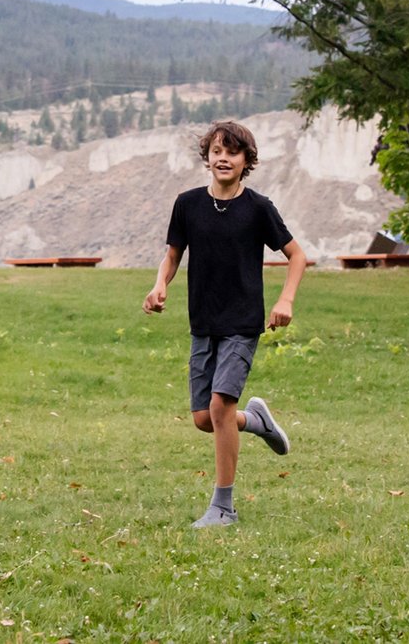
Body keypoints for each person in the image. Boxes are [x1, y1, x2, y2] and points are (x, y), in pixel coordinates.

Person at [143, 121, 310, 528]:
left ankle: (223, 507)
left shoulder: (258, 207)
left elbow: (297, 255)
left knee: (220, 406)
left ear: (246, 161)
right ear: (207, 158)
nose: (223, 158)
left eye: (232, 153)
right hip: (203, 321)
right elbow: (173, 253)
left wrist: (285, 299)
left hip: (242, 322)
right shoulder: (187, 204)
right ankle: (257, 423)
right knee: (205, 417)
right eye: (217, 151)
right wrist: (159, 285)